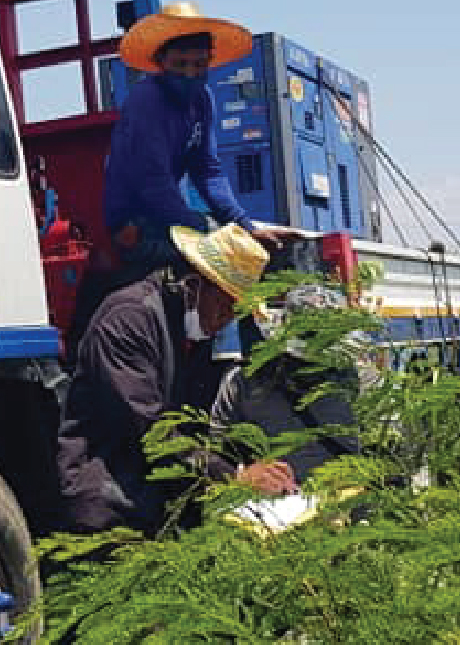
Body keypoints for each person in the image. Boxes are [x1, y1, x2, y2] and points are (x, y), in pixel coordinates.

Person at [55, 222, 296, 534]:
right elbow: (150, 430)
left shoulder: (187, 331)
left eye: (233, 315)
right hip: (107, 503)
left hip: (151, 500)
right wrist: (236, 476)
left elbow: (192, 428)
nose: (223, 323)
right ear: (195, 284)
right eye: (223, 308)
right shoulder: (129, 319)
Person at [101, 2, 300, 274]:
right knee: (224, 265)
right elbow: (153, 183)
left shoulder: (203, 99)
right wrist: (205, 232)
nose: (190, 73)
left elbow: (207, 170)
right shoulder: (146, 101)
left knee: (255, 255)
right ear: (161, 63)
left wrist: (244, 226)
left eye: (199, 64)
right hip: (134, 222)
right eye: (180, 64)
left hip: (166, 217)